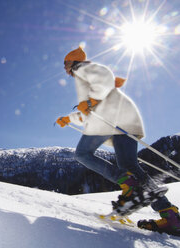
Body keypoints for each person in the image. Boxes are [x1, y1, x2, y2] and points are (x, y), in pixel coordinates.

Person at [56, 46, 180, 235]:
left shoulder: (84, 70)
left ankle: (127, 183)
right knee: (131, 166)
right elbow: (90, 110)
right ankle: (170, 216)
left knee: (83, 153)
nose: (65, 68)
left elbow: (105, 82)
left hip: (115, 120)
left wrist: (90, 102)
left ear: (73, 61)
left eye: (66, 63)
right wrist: (70, 118)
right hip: (123, 121)